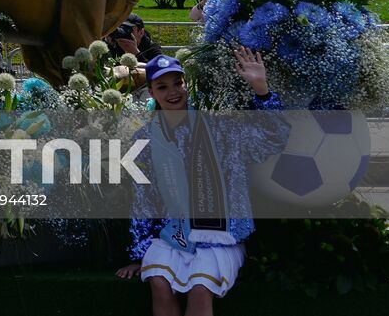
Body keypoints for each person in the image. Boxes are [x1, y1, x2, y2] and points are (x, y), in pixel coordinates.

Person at [116, 48, 287, 315]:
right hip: (173, 234)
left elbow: (273, 138)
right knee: (159, 283)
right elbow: (145, 198)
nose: (173, 91)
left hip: (221, 236)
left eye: (178, 83)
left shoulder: (220, 128)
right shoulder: (146, 139)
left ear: (187, 85)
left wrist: (262, 91)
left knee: (200, 287)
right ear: (151, 93)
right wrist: (139, 253)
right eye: (162, 86)